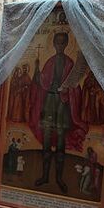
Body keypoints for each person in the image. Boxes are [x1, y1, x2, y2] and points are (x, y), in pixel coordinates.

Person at [29, 32, 86, 193]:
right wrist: (37, 73)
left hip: (62, 104)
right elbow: (42, 82)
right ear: (54, 44)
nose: (60, 46)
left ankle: (59, 178)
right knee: (46, 139)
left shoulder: (69, 62)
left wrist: (67, 90)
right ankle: (45, 176)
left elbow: (75, 86)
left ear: (66, 44)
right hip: (49, 102)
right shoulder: (50, 62)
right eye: (57, 43)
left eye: (63, 43)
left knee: (60, 141)